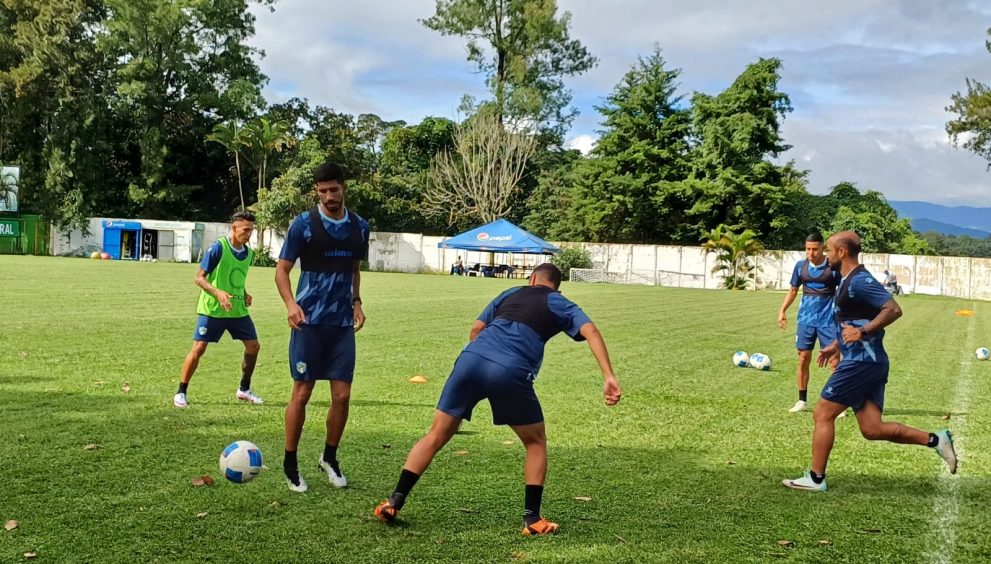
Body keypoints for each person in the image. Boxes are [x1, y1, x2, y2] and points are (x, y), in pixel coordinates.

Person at [373, 263, 622, 536]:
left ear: (533, 279)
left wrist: (480, 358)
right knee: (535, 442)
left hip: (470, 360)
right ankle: (532, 519)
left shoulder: (511, 292)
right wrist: (608, 376)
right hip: (510, 370)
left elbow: (476, 328)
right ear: (555, 286)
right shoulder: (559, 302)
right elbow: (591, 331)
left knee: (436, 435)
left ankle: (394, 501)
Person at [782, 231, 957, 492]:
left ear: (842, 252)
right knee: (872, 428)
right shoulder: (847, 280)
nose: (826, 255)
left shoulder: (859, 281)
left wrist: (861, 333)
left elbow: (893, 309)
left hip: (862, 363)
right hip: (868, 361)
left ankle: (816, 478)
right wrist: (836, 345)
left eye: (829, 250)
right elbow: (856, 320)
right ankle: (936, 440)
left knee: (822, 412)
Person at [275, 162, 370, 493]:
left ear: (345, 186)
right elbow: (282, 271)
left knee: (342, 395)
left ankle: (329, 457)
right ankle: (290, 462)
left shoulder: (360, 227)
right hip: (309, 321)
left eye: (334, 189)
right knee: (302, 391)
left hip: (342, 322)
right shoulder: (304, 225)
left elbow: (354, 268)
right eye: (322, 191)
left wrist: (357, 301)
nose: (329, 196)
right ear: (316, 191)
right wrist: (291, 304)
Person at [174, 211, 263, 409]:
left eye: (252, 231)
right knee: (199, 349)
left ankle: (244, 389)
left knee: (253, 346)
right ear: (234, 228)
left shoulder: (248, 254)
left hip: (237, 310)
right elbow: (199, 278)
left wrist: (246, 293)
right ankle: (181, 392)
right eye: (246, 230)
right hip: (213, 309)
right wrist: (218, 293)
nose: (249, 235)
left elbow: (235, 278)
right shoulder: (218, 248)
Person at [777, 232, 841, 413]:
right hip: (805, 320)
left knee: (834, 362)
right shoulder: (800, 267)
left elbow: (844, 288)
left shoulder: (832, 266)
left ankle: (838, 403)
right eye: (808, 249)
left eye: (815, 249)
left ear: (823, 248)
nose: (811, 253)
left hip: (828, 320)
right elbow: (793, 290)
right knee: (803, 358)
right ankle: (802, 401)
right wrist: (782, 311)